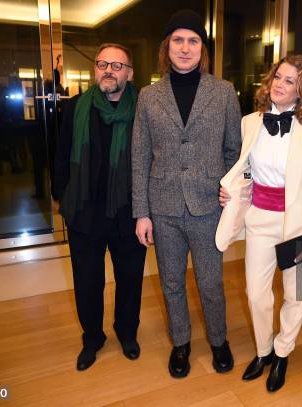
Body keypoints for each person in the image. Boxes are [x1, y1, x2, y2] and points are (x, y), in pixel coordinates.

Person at [132, 9, 241, 378]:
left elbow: (234, 152)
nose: (185, 47)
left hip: (208, 205)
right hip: (162, 208)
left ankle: (219, 340)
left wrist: (230, 191)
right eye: (178, 40)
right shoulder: (148, 96)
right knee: (172, 282)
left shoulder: (224, 92)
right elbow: (139, 155)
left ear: (202, 49)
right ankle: (181, 343)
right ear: (167, 47)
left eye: (193, 40)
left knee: (211, 283)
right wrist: (141, 212)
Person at [216, 54, 302, 392]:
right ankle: (264, 350)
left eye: (290, 81)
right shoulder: (251, 122)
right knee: (256, 293)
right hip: (259, 220)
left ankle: (282, 352)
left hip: (297, 225)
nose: (280, 84)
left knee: (296, 294)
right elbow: (247, 170)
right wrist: (232, 192)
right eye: (278, 77)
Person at [53, 43, 147, 371]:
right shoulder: (75, 107)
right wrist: (63, 198)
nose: (108, 70)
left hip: (129, 213)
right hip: (85, 213)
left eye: (117, 65)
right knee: (88, 281)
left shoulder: (144, 110)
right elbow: (62, 156)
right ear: (95, 69)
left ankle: (126, 332)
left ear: (130, 73)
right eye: (102, 64)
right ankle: (92, 338)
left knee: (130, 280)